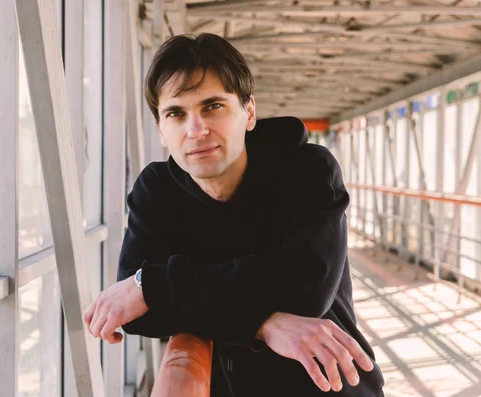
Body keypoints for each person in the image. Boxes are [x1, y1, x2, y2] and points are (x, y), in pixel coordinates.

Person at [82, 33, 385, 396]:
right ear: (161, 130)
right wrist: (264, 324)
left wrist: (154, 284)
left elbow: (307, 287)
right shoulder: (156, 191)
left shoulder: (307, 170)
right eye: (176, 113)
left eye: (213, 106)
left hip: (333, 384)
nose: (196, 130)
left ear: (249, 112)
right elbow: (141, 314)